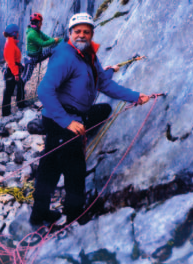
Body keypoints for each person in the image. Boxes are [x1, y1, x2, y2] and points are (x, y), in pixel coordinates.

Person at [30, 13, 150, 226]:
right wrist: (67, 122)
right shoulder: (65, 56)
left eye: (86, 31)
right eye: (77, 31)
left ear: (92, 34)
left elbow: (103, 83)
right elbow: (44, 90)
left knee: (50, 165)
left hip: (67, 118)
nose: (82, 35)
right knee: (73, 169)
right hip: (63, 121)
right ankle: (74, 214)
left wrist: (135, 96)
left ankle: (39, 213)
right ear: (69, 34)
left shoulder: (89, 55)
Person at [21, 13, 61, 83]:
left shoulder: (37, 32)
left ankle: (18, 89)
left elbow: (47, 38)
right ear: (38, 23)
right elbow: (42, 43)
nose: (41, 24)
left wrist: (61, 40)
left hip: (35, 57)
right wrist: (54, 40)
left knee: (25, 76)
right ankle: (19, 91)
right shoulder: (32, 34)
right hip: (32, 59)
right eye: (41, 23)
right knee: (26, 77)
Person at [1, 24, 29, 117]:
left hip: (12, 70)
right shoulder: (10, 44)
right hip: (12, 71)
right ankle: (7, 111)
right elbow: (11, 62)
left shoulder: (11, 43)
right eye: (17, 33)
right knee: (9, 91)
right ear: (14, 33)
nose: (18, 34)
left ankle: (18, 105)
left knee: (16, 87)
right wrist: (16, 74)